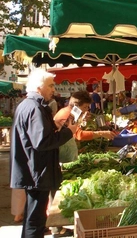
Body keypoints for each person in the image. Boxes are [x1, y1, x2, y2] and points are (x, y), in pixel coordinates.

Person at [10, 69, 77, 238]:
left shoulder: (29, 105)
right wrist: (69, 132)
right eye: (51, 85)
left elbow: (37, 136)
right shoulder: (34, 108)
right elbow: (42, 142)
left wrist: (55, 127)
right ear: (39, 87)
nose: (54, 89)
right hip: (37, 171)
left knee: (33, 218)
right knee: (35, 220)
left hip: (34, 170)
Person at [58, 90, 117, 163]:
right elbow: (79, 135)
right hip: (63, 158)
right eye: (85, 107)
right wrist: (102, 133)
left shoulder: (70, 113)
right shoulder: (68, 114)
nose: (86, 110)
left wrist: (81, 120)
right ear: (76, 106)